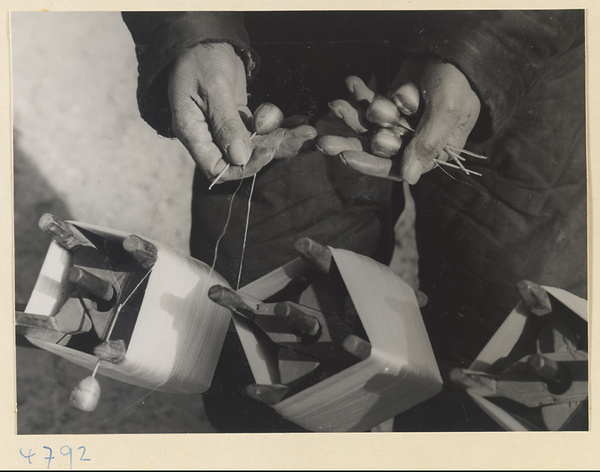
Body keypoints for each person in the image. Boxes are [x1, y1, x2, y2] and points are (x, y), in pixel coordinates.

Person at [122, 10, 586, 432]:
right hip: (287, 40)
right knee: (278, 335)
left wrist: (487, 51)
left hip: (523, 33)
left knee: (513, 340)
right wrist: (193, 33)